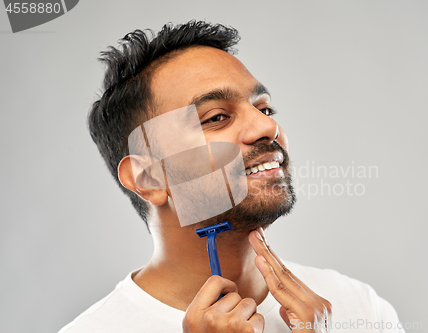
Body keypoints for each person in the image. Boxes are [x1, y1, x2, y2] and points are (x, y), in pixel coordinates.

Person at [59, 21, 404, 333]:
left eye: (264, 108)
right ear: (148, 177)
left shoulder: (358, 308)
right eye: (216, 117)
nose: (268, 126)